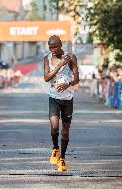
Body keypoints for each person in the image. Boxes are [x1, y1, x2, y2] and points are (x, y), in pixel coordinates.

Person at [43, 35, 79, 171]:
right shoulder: (47, 58)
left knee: (65, 130)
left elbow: (77, 79)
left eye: (55, 46)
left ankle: (62, 158)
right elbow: (46, 78)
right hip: (53, 97)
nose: (53, 49)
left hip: (68, 99)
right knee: (54, 126)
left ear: (61, 45)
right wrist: (59, 65)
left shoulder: (71, 57)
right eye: (50, 47)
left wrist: (68, 84)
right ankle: (55, 149)